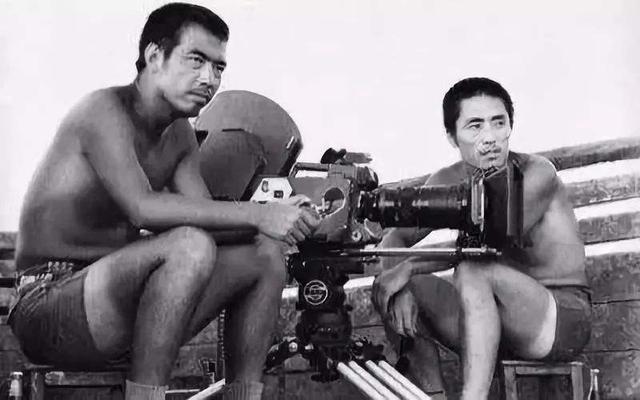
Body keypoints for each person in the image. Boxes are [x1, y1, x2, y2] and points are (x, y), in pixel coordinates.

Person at [9, 3, 319, 400]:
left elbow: (208, 222)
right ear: (155, 56)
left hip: (119, 304)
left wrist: (286, 217)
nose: (209, 79)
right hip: (47, 304)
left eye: (219, 68)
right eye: (196, 60)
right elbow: (144, 208)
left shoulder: (180, 135)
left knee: (264, 253)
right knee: (189, 245)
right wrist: (257, 213)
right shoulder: (101, 111)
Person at [371, 77, 591, 400]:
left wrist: (410, 266)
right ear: (452, 136)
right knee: (389, 284)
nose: (489, 138)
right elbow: (393, 238)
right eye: (475, 126)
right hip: (490, 320)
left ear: (510, 127)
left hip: (557, 318)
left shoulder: (536, 173)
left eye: (498, 123)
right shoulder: (448, 179)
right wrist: (400, 283)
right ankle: (432, 394)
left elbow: (488, 243)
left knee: (472, 270)